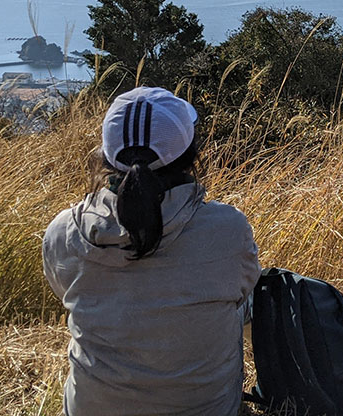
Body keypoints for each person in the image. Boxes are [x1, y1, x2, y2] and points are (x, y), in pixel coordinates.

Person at [43, 87, 260, 416]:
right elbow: (244, 287)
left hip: (93, 410)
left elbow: (62, 289)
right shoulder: (228, 229)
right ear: (191, 155)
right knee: (253, 298)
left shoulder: (64, 232)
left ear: (106, 156)